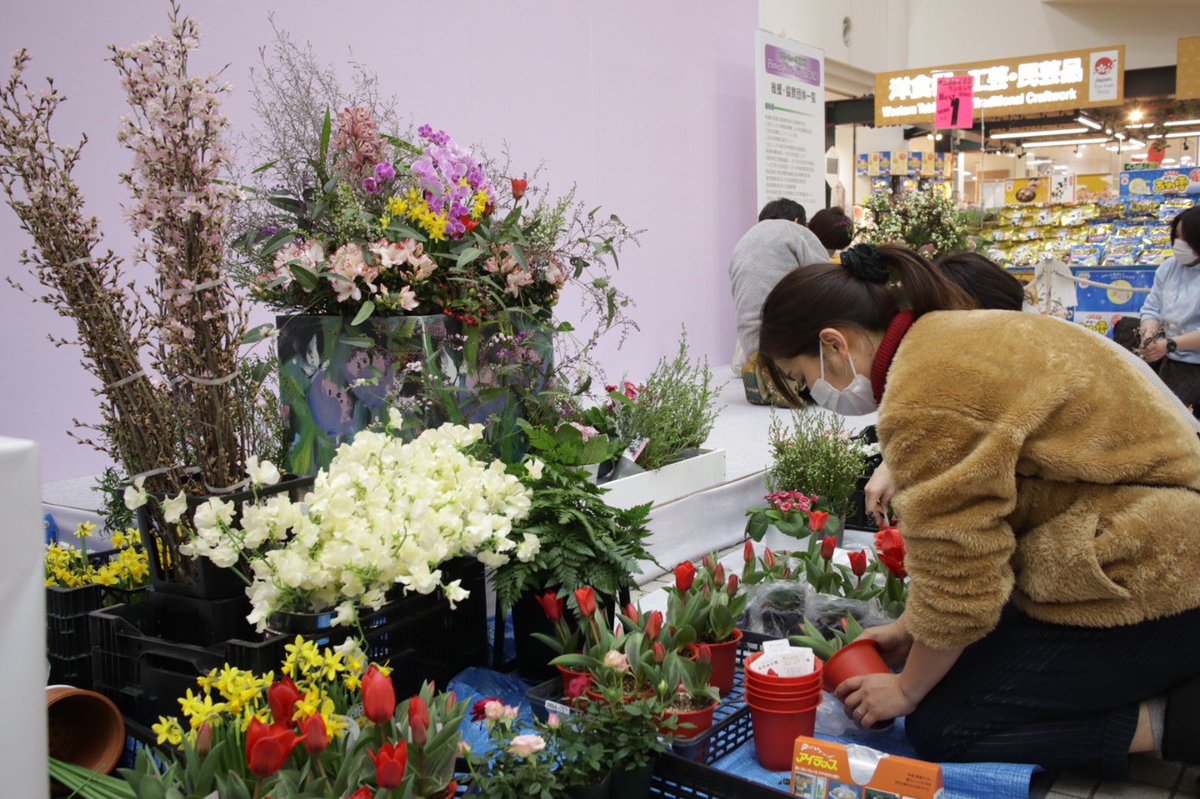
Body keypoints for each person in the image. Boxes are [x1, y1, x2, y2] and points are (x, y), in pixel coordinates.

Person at [757, 242, 1200, 777]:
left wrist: (905, 687)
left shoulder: (924, 392)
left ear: (834, 342)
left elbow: (961, 577)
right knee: (956, 668)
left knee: (947, 725)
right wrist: (907, 632)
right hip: (1140, 539)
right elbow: (974, 543)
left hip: (1161, 574)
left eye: (804, 377)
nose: (815, 393)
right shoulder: (945, 340)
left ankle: (1181, 718)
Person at [728, 218, 827, 381]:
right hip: (791, 357)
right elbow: (826, 290)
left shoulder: (742, 244)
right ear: (797, 219)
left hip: (751, 354)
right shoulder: (796, 233)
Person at [1139, 207, 1200, 418]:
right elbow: (1151, 308)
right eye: (1176, 235)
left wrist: (1171, 344)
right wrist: (1148, 335)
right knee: (1162, 420)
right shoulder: (1168, 268)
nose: (1179, 243)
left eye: (1186, 237)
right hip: (1173, 362)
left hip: (1193, 362)